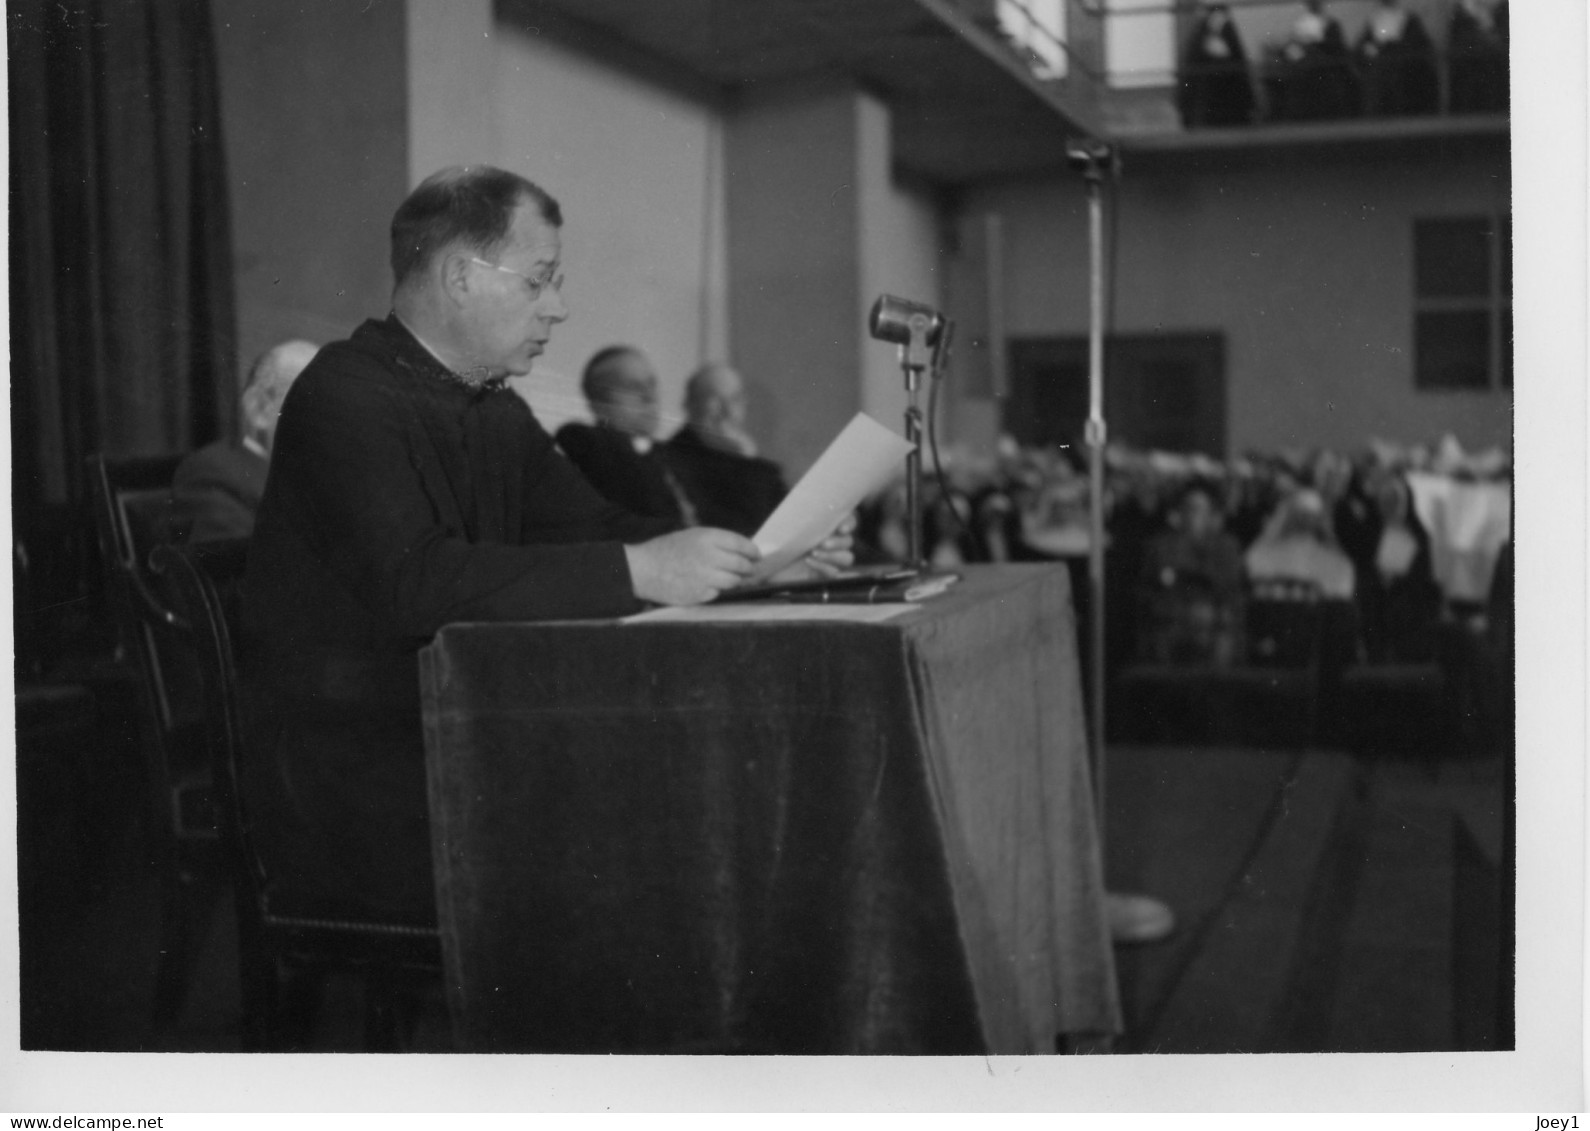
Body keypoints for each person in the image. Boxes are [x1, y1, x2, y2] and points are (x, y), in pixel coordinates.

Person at [239, 166, 850, 923]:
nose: (558, 308)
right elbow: (416, 582)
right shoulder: (343, 392)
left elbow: (592, 526)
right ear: (462, 276)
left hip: (445, 732)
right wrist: (644, 569)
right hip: (351, 774)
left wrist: (755, 549)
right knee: (675, 822)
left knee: (699, 795)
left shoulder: (489, 403)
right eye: (540, 281)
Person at [169, 339, 318, 543]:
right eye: (313, 400)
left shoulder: (331, 477)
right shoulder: (212, 474)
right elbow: (237, 568)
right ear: (259, 408)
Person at [556, 346, 695, 524]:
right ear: (599, 403)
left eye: (651, 384)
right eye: (633, 387)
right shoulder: (587, 445)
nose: (650, 396)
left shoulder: (670, 455)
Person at [660, 362, 789, 537]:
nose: (728, 411)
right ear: (689, 404)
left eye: (735, 399)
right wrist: (747, 464)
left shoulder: (756, 464)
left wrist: (747, 460)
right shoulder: (667, 462)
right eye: (715, 399)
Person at [1274, 0, 1359, 121]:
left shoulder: (1331, 23)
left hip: (1326, 68)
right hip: (1305, 68)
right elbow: (1294, 48)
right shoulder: (1300, 24)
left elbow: (1337, 48)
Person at [1176, 3, 1255, 128]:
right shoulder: (1201, 36)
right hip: (1208, 98)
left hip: (1227, 97)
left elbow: (1239, 64)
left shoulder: (1227, 33)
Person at [1354, 0, 1438, 117]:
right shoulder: (1374, 19)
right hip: (1380, 71)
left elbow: (1420, 46)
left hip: (1404, 71)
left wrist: (1392, 48)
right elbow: (1363, 47)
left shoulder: (1409, 19)